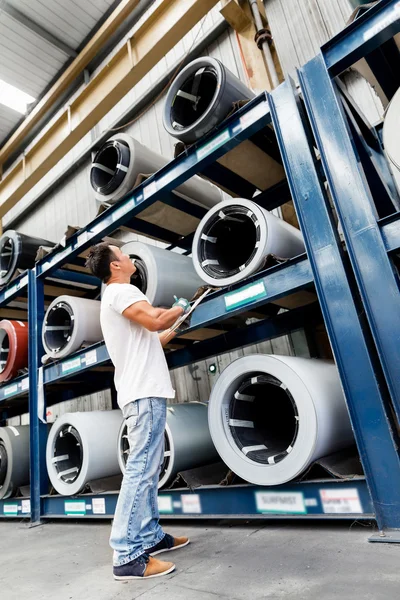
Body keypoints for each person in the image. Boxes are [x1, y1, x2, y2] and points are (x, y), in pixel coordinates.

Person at [86, 242, 190, 581]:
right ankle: (127, 554)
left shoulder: (115, 297)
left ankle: (149, 537)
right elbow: (152, 320)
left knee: (148, 468)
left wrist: (175, 324)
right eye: (124, 255)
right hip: (144, 395)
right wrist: (177, 308)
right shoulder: (121, 291)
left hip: (144, 393)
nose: (130, 258)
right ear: (116, 267)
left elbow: (152, 338)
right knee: (141, 470)